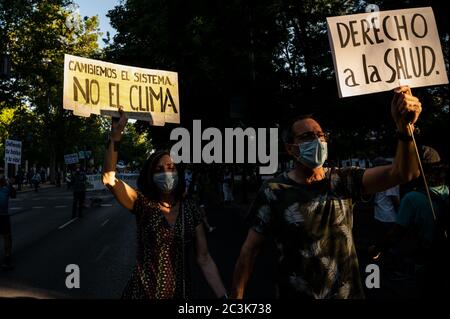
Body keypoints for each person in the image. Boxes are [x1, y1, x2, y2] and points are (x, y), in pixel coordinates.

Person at [231, 86, 422, 299]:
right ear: (290, 148)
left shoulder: (344, 179)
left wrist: (405, 128)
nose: (317, 141)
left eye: (320, 135)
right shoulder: (274, 191)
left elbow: (404, 173)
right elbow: (249, 252)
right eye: (307, 136)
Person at [102, 109, 227, 299]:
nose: (166, 173)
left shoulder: (190, 209)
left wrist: (224, 298)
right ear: (151, 176)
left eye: (171, 168)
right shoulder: (143, 203)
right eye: (159, 169)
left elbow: (204, 258)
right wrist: (116, 135)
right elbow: (109, 178)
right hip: (141, 294)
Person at [369, 145, 449, 298]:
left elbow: (395, 234)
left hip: (426, 262)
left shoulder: (412, 199)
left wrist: (376, 249)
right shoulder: (446, 190)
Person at [0, 174, 16, 270]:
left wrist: (10, 185)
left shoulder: (6, 189)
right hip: (4, 216)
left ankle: (7, 258)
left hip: (4, 216)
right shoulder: (6, 189)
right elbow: (13, 195)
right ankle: (7, 258)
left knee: (7, 237)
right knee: (7, 237)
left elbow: (13, 195)